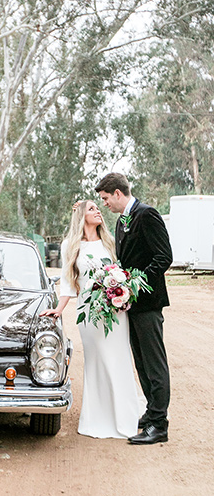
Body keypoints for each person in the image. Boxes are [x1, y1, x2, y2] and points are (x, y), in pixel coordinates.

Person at [41, 200, 139, 439]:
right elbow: (67, 282)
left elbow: (123, 271)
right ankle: (98, 415)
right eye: (92, 208)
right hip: (89, 312)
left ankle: (125, 414)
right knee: (97, 361)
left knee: (118, 358)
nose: (98, 211)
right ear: (82, 216)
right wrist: (58, 308)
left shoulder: (110, 242)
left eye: (98, 208)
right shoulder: (69, 245)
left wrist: (123, 291)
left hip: (115, 311)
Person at [95, 172, 172, 445]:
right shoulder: (121, 222)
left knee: (154, 364)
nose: (104, 204)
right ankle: (152, 414)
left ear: (118, 193)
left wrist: (134, 285)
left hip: (148, 303)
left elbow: (164, 257)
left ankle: (159, 425)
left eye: (105, 198)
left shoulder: (147, 214)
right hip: (131, 306)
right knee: (141, 364)